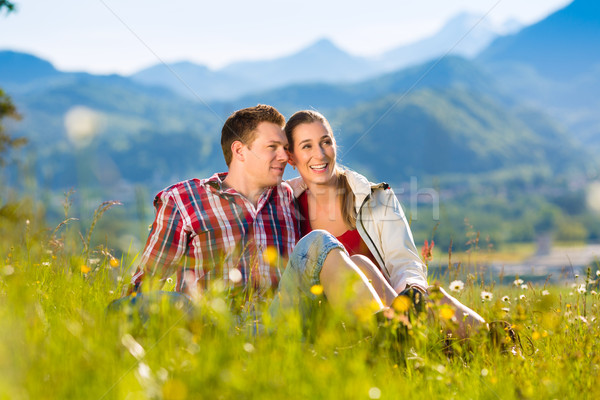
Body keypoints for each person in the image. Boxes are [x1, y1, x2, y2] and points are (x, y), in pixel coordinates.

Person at [127, 105, 386, 323]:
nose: (284, 156)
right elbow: (146, 283)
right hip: (214, 326)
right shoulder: (185, 200)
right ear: (239, 151)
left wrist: (379, 192)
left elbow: (326, 175)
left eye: (285, 148)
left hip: (280, 324)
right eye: (272, 147)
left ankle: (393, 336)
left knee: (341, 254)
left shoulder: (286, 196)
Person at [284, 110, 486, 337]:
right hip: (328, 320)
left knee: (427, 293)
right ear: (291, 157)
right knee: (357, 263)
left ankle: (494, 340)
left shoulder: (376, 197)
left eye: (326, 142)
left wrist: (413, 292)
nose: (320, 154)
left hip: (386, 306)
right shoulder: (284, 205)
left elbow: (403, 260)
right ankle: (424, 338)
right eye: (307, 146)